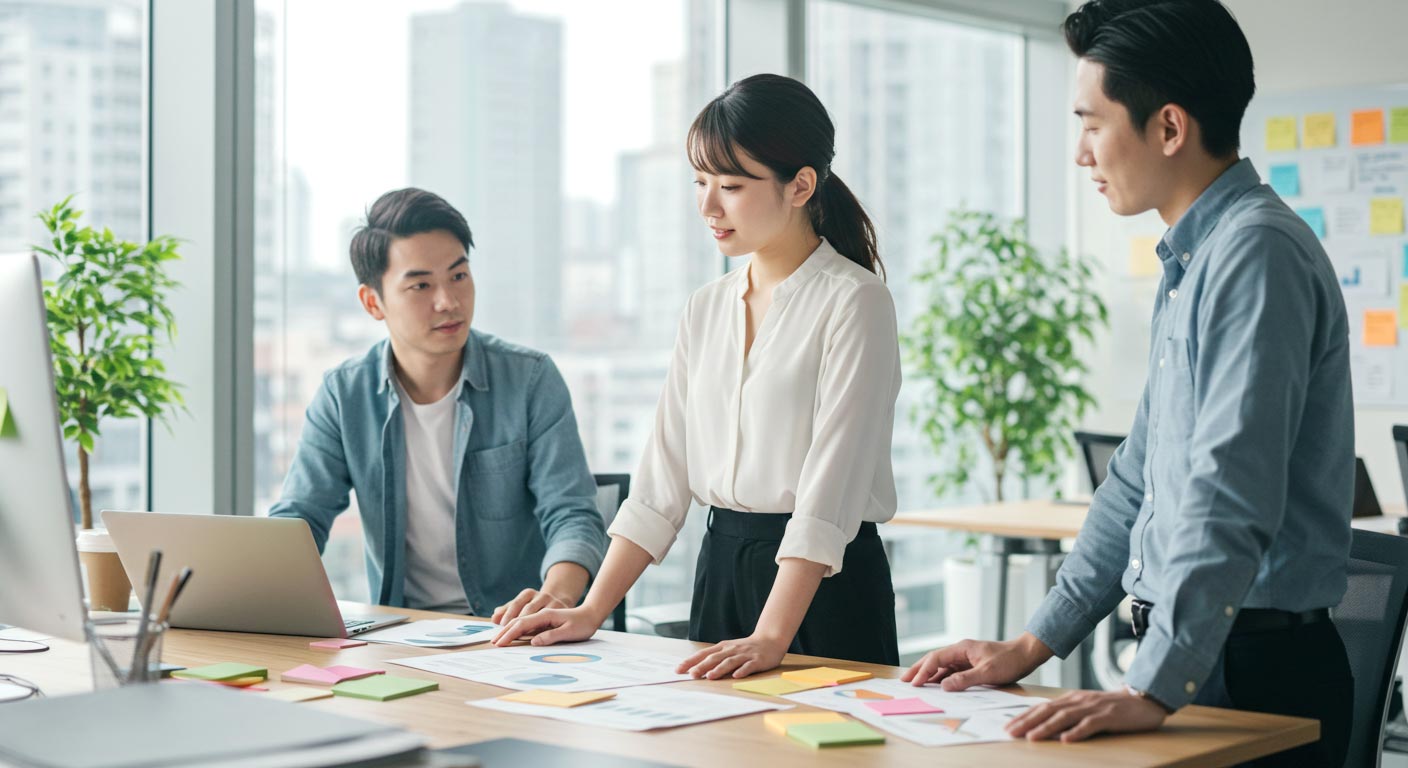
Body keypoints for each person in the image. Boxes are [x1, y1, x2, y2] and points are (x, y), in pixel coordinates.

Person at [903, 2, 1354, 763]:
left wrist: (1152, 687)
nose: (1082, 153)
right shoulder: (1193, 262)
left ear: (1169, 128)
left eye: (1090, 122)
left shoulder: (1255, 254)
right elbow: (1135, 484)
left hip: (1250, 673)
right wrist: (1030, 645)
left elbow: (1228, 490)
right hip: (1200, 663)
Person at [493, 73, 903, 676]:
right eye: (701, 182)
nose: (708, 206)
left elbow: (829, 493)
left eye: (732, 186)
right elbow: (662, 480)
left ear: (801, 185)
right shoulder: (705, 306)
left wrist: (771, 637)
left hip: (825, 584)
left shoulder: (855, 301)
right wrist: (590, 610)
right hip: (721, 569)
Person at [269, 188, 607, 622]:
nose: (448, 301)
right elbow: (300, 518)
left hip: (509, 633)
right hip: (397, 636)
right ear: (374, 302)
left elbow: (572, 514)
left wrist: (555, 598)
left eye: (459, 276)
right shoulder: (343, 395)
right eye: (421, 285)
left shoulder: (530, 380)